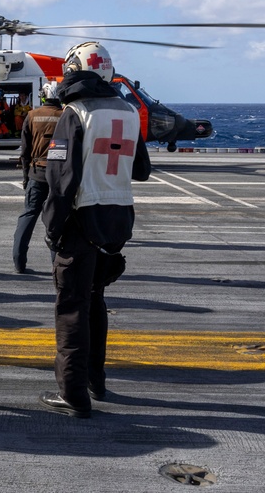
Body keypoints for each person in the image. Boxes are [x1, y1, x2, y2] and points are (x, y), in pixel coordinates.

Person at [38, 42, 151, 418]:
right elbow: (141, 170)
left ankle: (72, 393)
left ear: (74, 68)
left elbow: (60, 179)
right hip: (117, 220)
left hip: (80, 220)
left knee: (71, 306)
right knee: (96, 299)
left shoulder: (75, 112)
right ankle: (95, 379)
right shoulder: (129, 111)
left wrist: (52, 228)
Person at [12, 81, 63, 274]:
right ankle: (57, 264)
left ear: (43, 96)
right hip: (59, 176)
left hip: (37, 173)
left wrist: (26, 177)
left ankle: (19, 261)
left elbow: (25, 151)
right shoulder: (67, 116)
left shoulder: (32, 116)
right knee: (57, 220)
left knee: (28, 215)